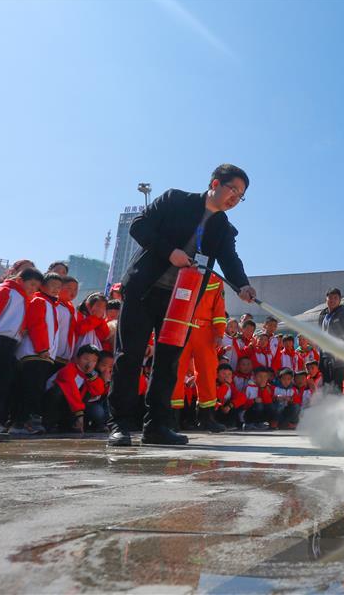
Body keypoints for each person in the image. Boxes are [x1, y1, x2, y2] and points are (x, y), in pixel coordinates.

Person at [108, 163, 256, 447]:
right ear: (215, 183)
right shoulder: (175, 199)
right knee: (130, 357)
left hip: (180, 301)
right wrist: (170, 252)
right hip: (144, 289)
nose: (235, 198)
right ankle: (120, 425)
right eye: (233, 189)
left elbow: (230, 259)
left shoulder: (223, 227)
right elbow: (139, 226)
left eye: (241, 195)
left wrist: (243, 285)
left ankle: (156, 427)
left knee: (168, 363)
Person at [0, 267, 43, 430]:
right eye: (31, 284)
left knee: (3, 381)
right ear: (20, 280)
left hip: (9, 344)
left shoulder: (23, 298)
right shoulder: (6, 291)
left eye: (36, 287)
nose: (33, 289)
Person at [169, 274, 228, 433]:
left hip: (205, 332)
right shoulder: (181, 272)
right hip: (181, 328)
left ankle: (206, 418)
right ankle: (172, 419)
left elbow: (219, 307)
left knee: (207, 374)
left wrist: (219, 333)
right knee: (176, 372)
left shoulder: (216, 280)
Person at [11, 272, 64, 435]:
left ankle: (26, 421)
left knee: (35, 388)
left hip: (42, 355)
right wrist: (42, 348)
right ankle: (21, 423)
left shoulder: (50, 304)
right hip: (34, 353)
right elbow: (36, 325)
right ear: (43, 285)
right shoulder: (39, 300)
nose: (56, 289)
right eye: (53, 285)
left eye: (59, 287)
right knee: (31, 388)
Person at [43, 344, 104, 434]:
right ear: (77, 359)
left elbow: (99, 391)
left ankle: (76, 424)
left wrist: (91, 377)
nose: (89, 363)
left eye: (94, 361)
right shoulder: (68, 370)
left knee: (98, 412)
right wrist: (79, 415)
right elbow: (71, 392)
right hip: (54, 405)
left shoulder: (91, 375)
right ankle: (49, 423)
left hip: (73, 409)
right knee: (58, 391)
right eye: (86, 359)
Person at [317, 287, 344, 391]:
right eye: (330, 298)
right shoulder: (323, 314)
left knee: (336, 386)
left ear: (339, 300)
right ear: (326, 299)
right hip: (324, 356)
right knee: (326, 385)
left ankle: (337, 406)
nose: (332, 300)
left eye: (335, 298)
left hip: (338, 358)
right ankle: (327, 405)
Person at [243, 366, 274, 431]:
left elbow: (268, 402)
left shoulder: (268, 387)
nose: (263, 379)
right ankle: (251, 423)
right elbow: (243, 403)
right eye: (260, 376)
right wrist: (253, 400)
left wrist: (263, 388)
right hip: (250, 411)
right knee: (259, 404)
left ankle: (261, 423)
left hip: (262, 411)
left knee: (270, 406)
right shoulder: (249, 387)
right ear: (254, 377)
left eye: (265, 377)